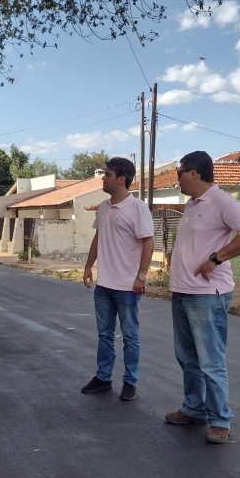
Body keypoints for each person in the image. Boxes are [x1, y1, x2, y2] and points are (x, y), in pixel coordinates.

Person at [164, 151, 240, 443]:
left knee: (210, 361)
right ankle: (194, 409)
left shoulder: (221, 201)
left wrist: (216, 259)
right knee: (187, 358)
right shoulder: (193, 204)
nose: (177, 177)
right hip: (182, 292)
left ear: (194, 173)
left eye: (180, 172)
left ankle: (220, 421)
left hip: (207, 295)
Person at [81, 157, 154, 401]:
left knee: (130, 336)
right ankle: (103, 377)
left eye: (108, 175)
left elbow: (148, 243)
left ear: (122, 179)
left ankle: (130, 381)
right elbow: (98, 238)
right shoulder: (103, 207)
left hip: (127, 287)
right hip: (104, 285)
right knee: (104, 334)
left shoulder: (138, 208)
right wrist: (89, 265)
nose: (103, 178)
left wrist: (141, 277)